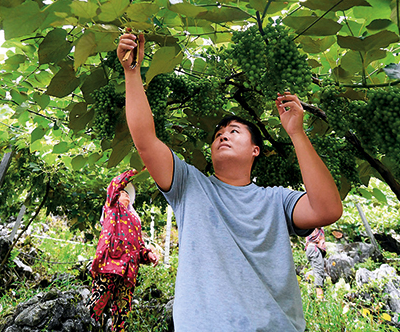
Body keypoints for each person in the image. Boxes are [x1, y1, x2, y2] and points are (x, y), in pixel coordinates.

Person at [117, 30, 343, 331]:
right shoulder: (190, 186)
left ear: (255, 150)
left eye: (234, 131)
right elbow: (145, 140)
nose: (223, 134)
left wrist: (296, 133)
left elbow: (328, 209)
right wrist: (132, 73)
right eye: (219, 134)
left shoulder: (277, 200)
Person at [89, 169, 159, 331]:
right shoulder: (112, 208)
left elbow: (139, 246)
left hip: (129, 271)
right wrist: (135, 170)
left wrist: (148, 254)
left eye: (128, 193)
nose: (126, 194)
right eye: (122, 192)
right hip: (109, 264)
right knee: (97, 305)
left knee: (122, 314)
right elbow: (114, 185)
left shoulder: (135, 219)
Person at [305, 227, 328, 299]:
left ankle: (311, 291)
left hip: (310, 248)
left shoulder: (308, 224)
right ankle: (319, 296)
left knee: (315, 270)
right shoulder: (314, 224)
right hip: (314, 248)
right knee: (318, 271)